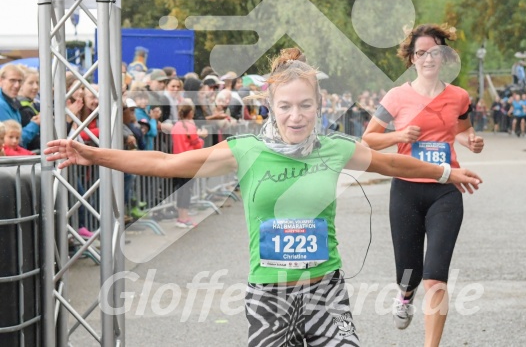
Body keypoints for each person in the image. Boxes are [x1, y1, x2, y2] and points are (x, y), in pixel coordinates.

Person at [45, 48, 482, 347]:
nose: (297, 116)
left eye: (306, 105)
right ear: (271, 106)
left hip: (326, 291)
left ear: (319, 105)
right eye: (287, 106)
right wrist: (91, 152)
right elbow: (163, 164)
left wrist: (448, 172)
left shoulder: (335, 147)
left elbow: (395, 165)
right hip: (269, 294)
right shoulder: (246, 150)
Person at [361, 24, 485, 347]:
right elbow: (369, 139)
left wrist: (470, 140)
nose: (427, 58)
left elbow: (461, 130)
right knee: (409, 272)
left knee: (435, 276)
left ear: (443, 56)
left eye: (433, 52)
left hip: (445, 190)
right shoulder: (397, 96)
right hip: (406, 189)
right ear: (412, 59)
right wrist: (398, 137)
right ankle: (404, 297)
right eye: (420, 53)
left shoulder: (458, 96)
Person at [170, 99, 207, 228]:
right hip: (189, 161)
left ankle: (181, 216)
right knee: (187, 190)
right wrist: (202, 137)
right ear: (190, 112)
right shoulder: (190, 126)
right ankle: (183, 217)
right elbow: (197, 144)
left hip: (177, 160)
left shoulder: (176, 126)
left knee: (181, 190)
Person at [0, 65, 40, 148]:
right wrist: (35, 124)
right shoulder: (2, 105)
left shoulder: (11, 101)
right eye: (12, 80)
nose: (17, 85)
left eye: (19, 81)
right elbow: (13, 141)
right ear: (1, 80)